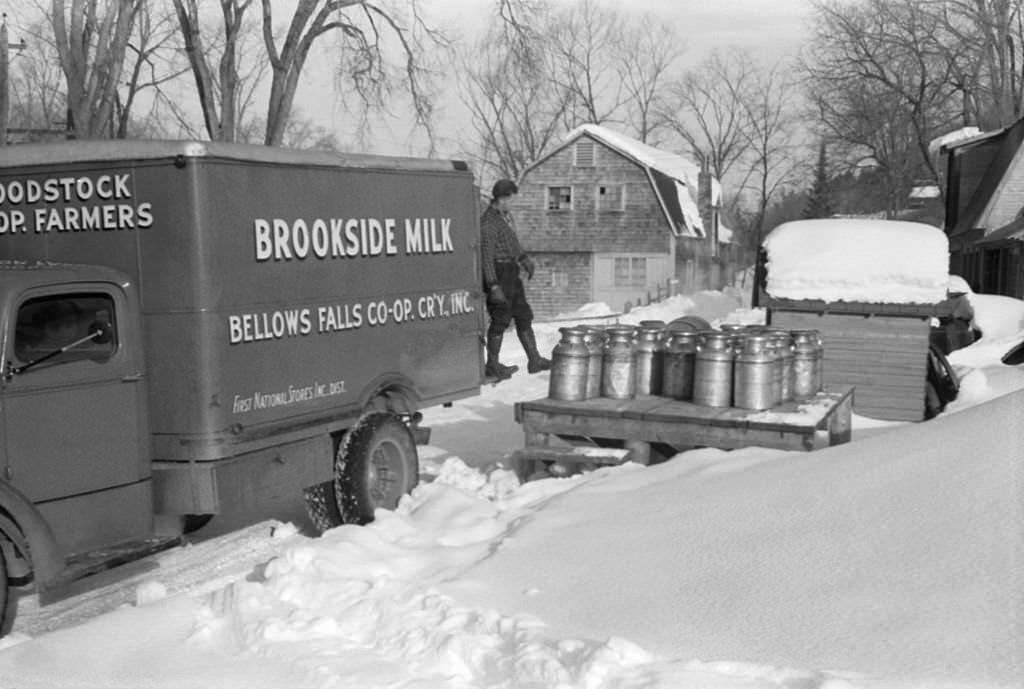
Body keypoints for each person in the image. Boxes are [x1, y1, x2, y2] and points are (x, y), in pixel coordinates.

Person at [480, 178, 550, 379]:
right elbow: (486, 257)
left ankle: (534, 359)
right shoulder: (488, 224)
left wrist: (523, 258)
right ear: (502, 199)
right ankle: (492, 365)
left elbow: (511, 243)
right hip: (498, 273)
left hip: (511, 272)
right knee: (501, 318)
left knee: (523, 314)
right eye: (511, 199)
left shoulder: (504, 218)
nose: (513, 203)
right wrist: (493, 286)